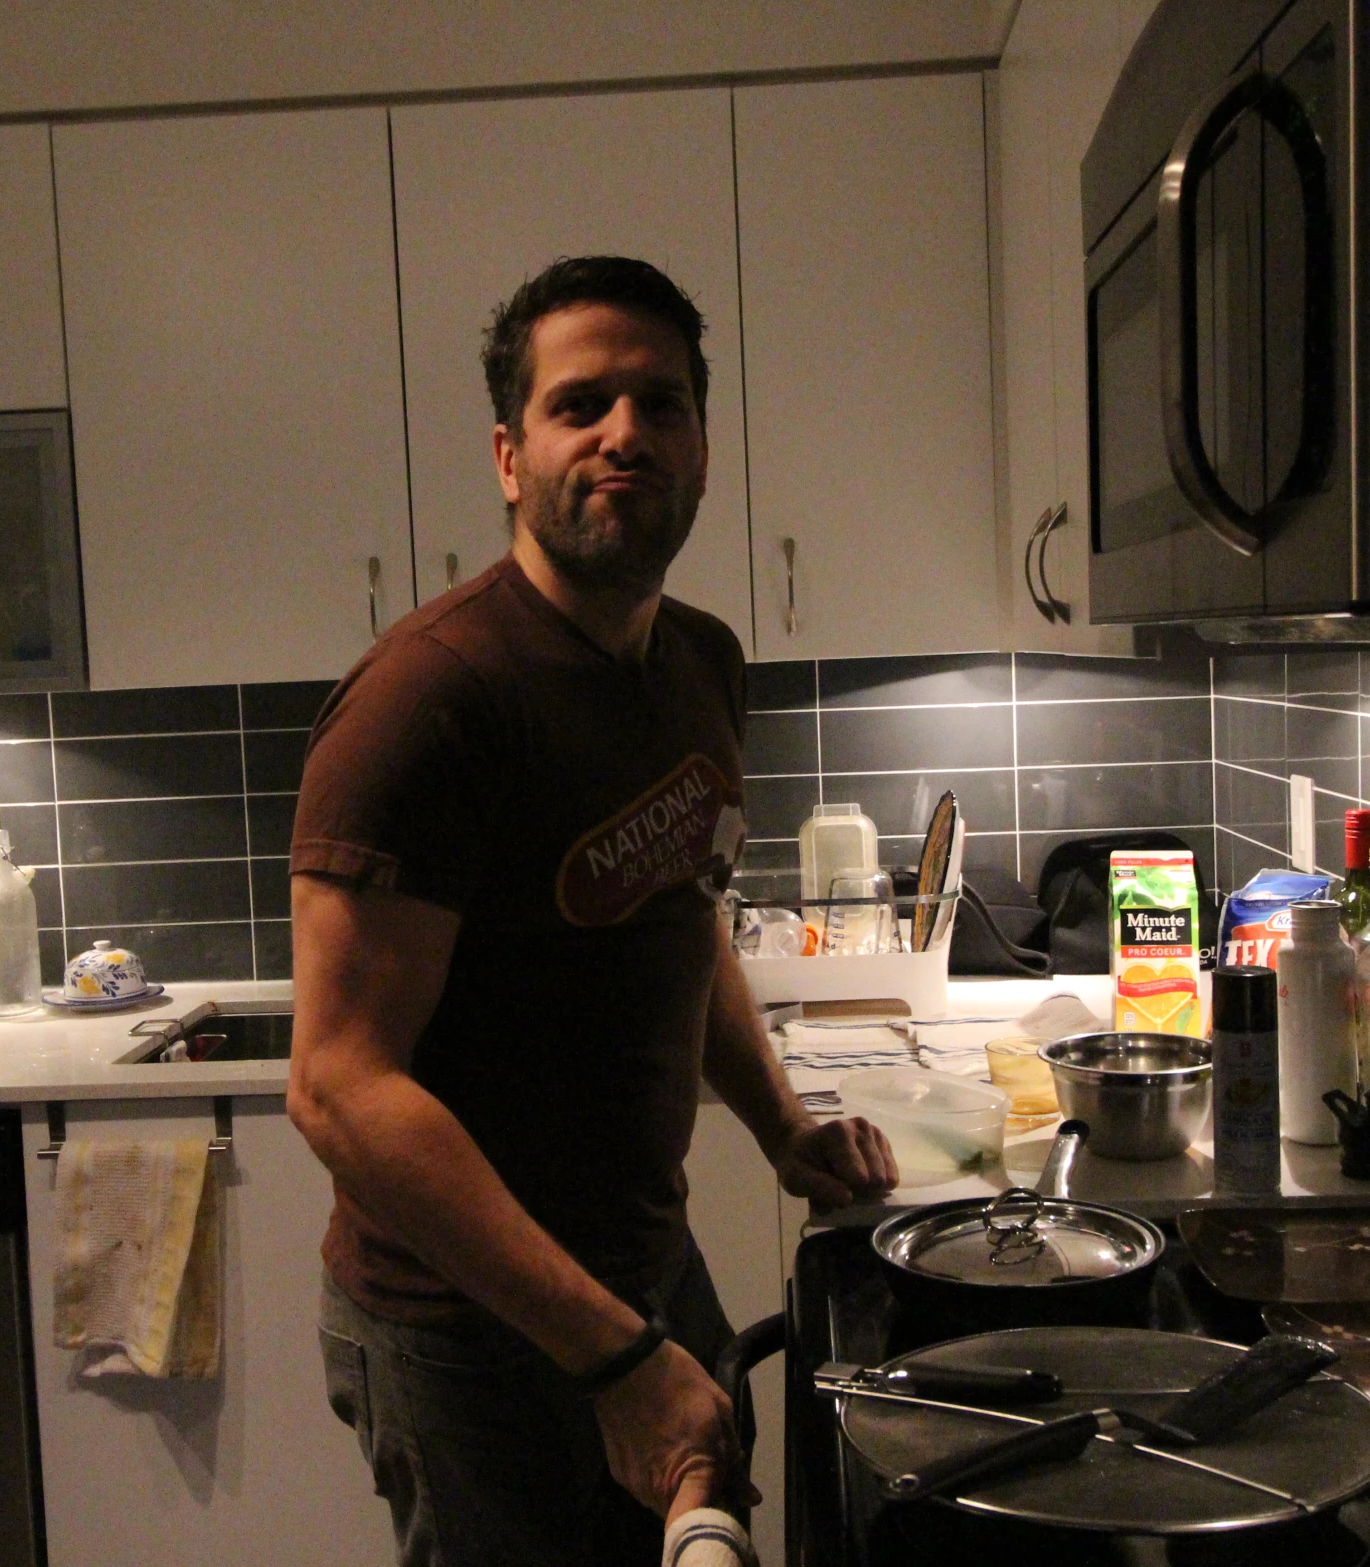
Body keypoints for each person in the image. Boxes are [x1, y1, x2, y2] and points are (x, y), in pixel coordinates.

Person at [284, 255, 898, 1567]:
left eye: (659, 402)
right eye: (581, 404)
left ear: (702, 447)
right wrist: (614, 1355)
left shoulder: (702, 664)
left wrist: (782, 1123)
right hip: (466, 1323)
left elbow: (682, 918)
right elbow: (338, 1084)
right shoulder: (431, 700)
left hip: (639, 1258)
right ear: (511, 455)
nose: (625, 432)